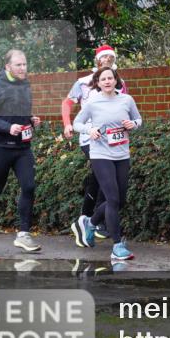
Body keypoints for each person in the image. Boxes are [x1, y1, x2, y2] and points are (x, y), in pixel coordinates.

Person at [70, 67, 142, 261]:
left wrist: (132, 125)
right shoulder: (93, 102)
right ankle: (117, 246)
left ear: (116, 80)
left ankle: (90, 224)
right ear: (98, 82)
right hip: (101, 154)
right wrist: (89, 129)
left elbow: (139, 119)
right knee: (112, 198)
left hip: (121, 155)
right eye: (104, 79)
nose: (108, 81)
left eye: (110, 78)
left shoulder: (126, 100)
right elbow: (77, 123)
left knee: (120, 200)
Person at [0, 49, 42, 253]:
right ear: (8, 67)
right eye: (19, 65)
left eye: (25, 64)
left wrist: (30, 119)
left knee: (29, 186)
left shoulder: (25, 84)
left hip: (22, 147)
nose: (23, 68)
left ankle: (23, 234)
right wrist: (8, 127)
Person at [61, 44, 128, 241]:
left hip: (114, 140)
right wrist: (67, 124)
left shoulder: (119, 83)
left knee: (101, 178)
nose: (107, 60)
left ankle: (89, 220)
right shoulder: (83, 82)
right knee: (105, 176)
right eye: (104, 57)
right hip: (90, 137)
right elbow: (67, 103)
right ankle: (98, 222)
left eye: (111, 58)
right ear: (97, 61)